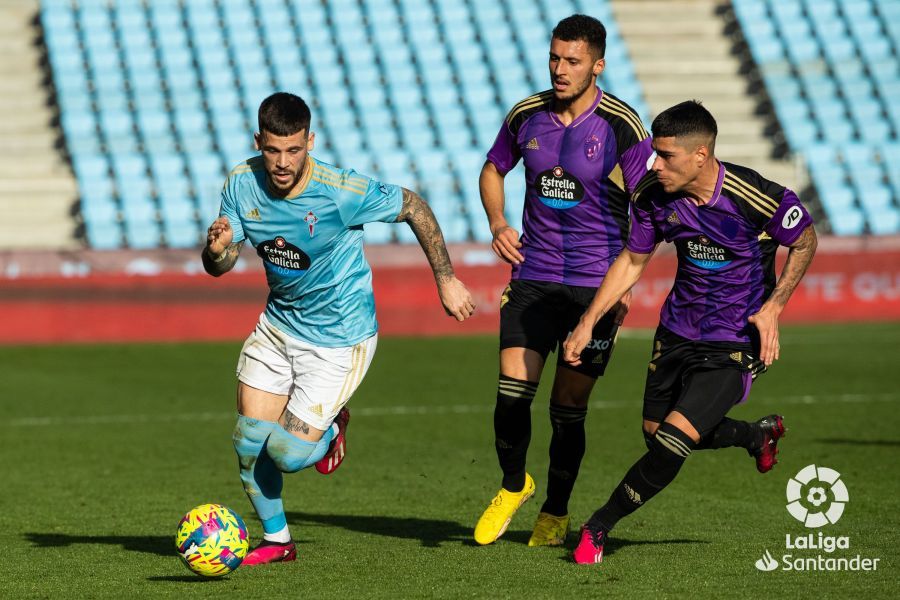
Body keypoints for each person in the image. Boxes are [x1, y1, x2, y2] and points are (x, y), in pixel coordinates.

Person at [203, 92, 475, 565]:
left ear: (310, 141)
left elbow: (413, 205)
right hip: (278, 325)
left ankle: (332, 431)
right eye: (272, 150)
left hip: (340, 337)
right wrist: (217, 250)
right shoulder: (242, 184)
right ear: (258, 143)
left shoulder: (340, 190)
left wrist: (446, 278)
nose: (283, 163)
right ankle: (277, 541)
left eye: (293, 150)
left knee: (285, 456)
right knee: (248, 443)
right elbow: (220, 266)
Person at [562, 100, 817, 564]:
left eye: (666, 156)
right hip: (677, 331)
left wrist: (774, 308)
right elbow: (633, 260)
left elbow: (804, 239)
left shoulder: (754, 195)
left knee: (672, 443)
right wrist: (587, 321)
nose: (654, 164)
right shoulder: (653, 195)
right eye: (655, 154)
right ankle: (755, 435)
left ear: (701, 155)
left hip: (736, 339)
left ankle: (597, 527)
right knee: (655, 433)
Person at [474, 14, 654, 547]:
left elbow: (648, 209)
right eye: (554, 58)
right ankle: (513, 485)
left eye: (572, 61)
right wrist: (499, 223)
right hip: (533, 276)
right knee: (511, 396)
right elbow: (491, 169)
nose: (559, 69)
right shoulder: (526, 115)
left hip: (594, 290)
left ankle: (555, 510)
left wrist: (623, 289)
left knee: (567, 410)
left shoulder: (623, 125)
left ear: (598, 65)